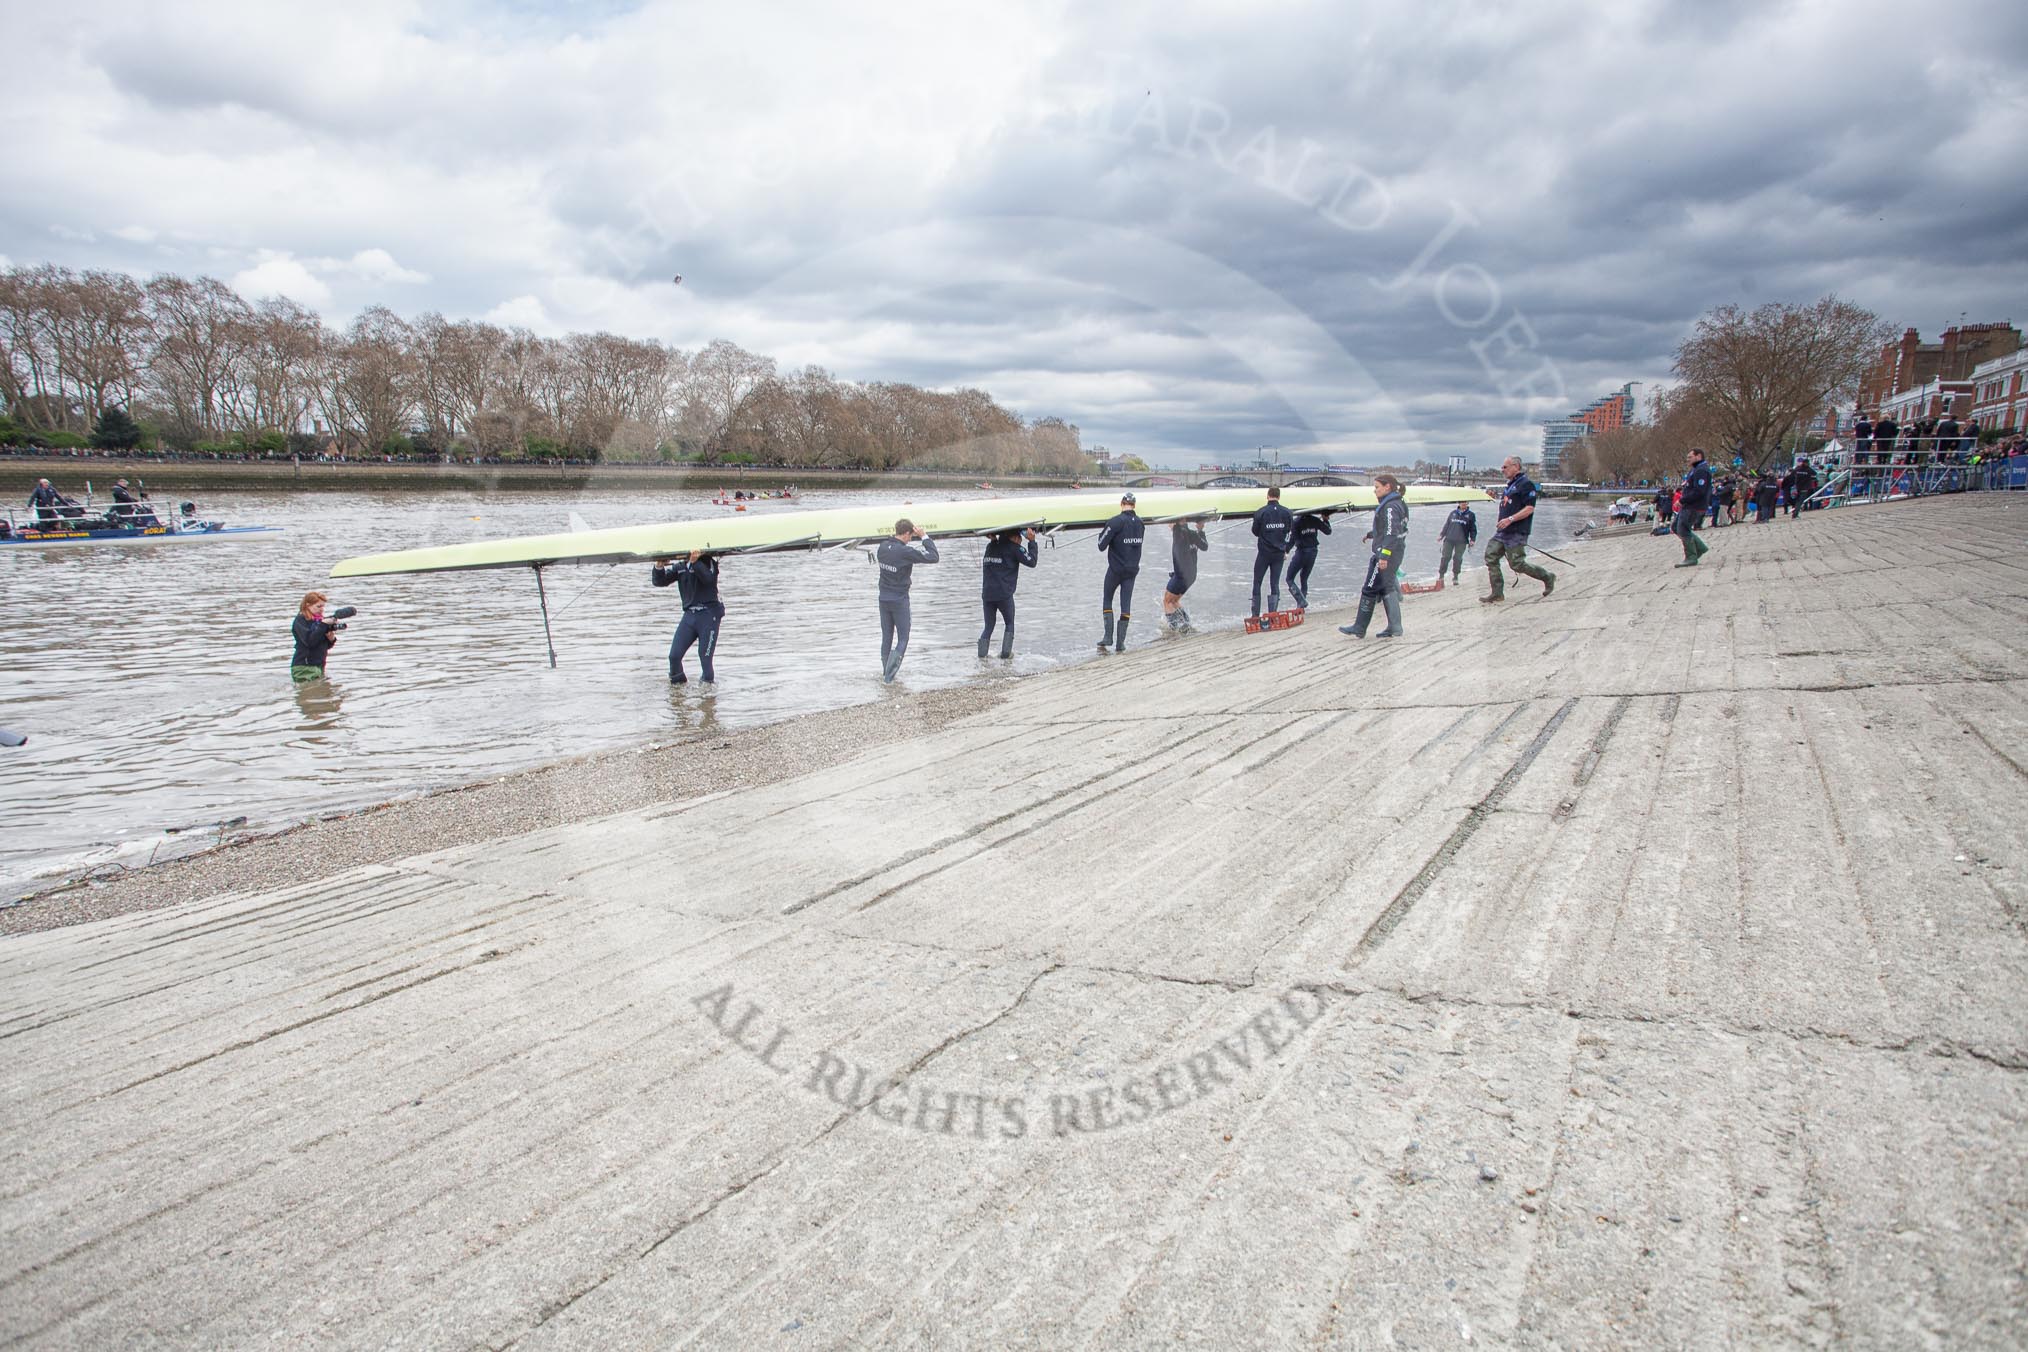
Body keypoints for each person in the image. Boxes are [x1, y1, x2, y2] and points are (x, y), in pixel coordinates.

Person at [1340, 473, 1407, 638]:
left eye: (1376, 487)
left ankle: (1359, 627)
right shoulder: (1399, 503)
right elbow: (1391, 529)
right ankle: (1395, 627)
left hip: (1386, 553)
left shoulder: (1390, 506)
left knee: (1369, 588)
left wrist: (1384, 556)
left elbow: (1391, 533)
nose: (1374, 491)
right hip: (1395, 551)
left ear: (1387, 487)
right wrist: (1372, 534)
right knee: (1387, 587)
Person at [1482, 456, 1555, 601]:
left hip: (1517, 531)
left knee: (1517, 564)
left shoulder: (1526, 484)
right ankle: (1497, 593)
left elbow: (1529, 508)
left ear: (1516, 466)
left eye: (1505, 467)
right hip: (1502, 531)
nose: (1502, 470)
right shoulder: (1510, 485)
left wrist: (1510, 519)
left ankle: (1547, 577)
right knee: (1491, 556)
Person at [877, 518, 939, 682]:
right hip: (899, 600)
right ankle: (889, 679)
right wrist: (924, 536)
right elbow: (933, 557)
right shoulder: (905, 552)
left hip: (883, 599)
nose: (911, 539)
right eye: (911, 536)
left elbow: (892, 547)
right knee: (903, 638)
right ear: (905, 534)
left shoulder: (882, 547)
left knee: (887, 637)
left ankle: (885, 673)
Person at [651, 550, 724, 685]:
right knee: (674, 657)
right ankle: (678, 693)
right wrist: (659, 567)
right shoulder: (680, 567)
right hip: (690, 616)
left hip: (708, 615)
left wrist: (695, 562)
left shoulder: (709, 562)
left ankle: (707, 699)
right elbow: (659, 581)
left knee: (705, 659)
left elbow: (709, 579)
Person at [978, 526, 1038, 658]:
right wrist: (1032, 541)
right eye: (1020, 539)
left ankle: (981, 658)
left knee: (988, 627)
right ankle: (1006, 656)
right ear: (1016, 537)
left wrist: (993, 539)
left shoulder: (991, 547)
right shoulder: (1014, 548)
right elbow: (1032, 561)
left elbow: (996, 546)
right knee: (1009, 624)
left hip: (987, 595)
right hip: (1004, 595)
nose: (1020, 542)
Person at [1095, 492, 1143, 652]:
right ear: (1134, 505)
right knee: (1126, 604)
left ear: (1121, 503)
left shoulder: (1115, 522)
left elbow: (1101, 545)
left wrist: (1104, 531)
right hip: (1132, 571)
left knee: (1107, 599)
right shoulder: (1141, 524)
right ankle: (1120, 643)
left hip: (1116, 570)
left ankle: (1108, 637)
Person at [1249, 487, 1295, 616]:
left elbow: (1255, 531)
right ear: (1279, 497)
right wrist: (1286, 549)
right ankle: (1272, 614)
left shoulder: (1260, 512)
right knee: (1274, 583)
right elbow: (1289, 532)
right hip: (1279, 554)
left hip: (1264, 554)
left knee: (1257, 581)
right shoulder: (1288, 513)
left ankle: (1255, 615)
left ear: (1267, 496)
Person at [1161, 519, 1209, 630]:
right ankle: (1186, 624)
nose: (1169, 526)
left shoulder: (1178, 533)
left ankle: (1174, 629)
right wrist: (1200, 529)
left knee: (1167, 601)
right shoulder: (1193, 534)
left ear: (1176, 523)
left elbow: (1180, 525)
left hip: (1181, 575)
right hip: (1191, 576)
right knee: (1174, 601)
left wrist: (1180, 521)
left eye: (1170, 523)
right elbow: (1205, 546)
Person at [1673, 447, 1713, 567]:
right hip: (1688, 505)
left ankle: (1691, 556)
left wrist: (1682, 500)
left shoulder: (1701, 471)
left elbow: (1699, 491)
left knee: (1683, 529)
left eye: (1690, 457)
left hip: (1693, 505)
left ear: (1698, 456)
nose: (1688, 460)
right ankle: (1700, 548)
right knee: (1675, 526)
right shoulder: (1695, 470)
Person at [1285, 508, 1332, 608]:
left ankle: (1301, 601)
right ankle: (1301, 606)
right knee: (1304, 578)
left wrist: (1286, 551)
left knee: (1289, 578)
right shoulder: (1314, 520)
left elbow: (1293, 539)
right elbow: (1328, 531)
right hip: (1313, 552)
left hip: (1302, 552)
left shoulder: (1296, 522)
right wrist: (1325, 519)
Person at [290, 591, 340, 682]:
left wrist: (331, 639)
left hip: (319, 665)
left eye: (323, 606)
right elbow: (309, 642)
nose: (322, 609)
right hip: (304, 666)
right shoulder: (300, 620)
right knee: (310, 693)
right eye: (318, 606)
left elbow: (323, 645)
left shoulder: (318, 621)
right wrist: (323, 624)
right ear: (308, 605)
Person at [1436, 501, 1477, 584]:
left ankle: (1455, 576)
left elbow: (1473, 529)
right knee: (1445, 557)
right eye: (1461, 502)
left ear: (1467, 503)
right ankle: (1441, 576)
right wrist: (1441, 535)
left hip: (1462, 541)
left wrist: (1472, 539)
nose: (1463, 504)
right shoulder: (1453, 513)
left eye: (1465, 502)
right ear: (1459, 503)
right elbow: (1447, 525)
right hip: (1449, 539)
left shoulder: (1471, 515)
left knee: (1458, 558)